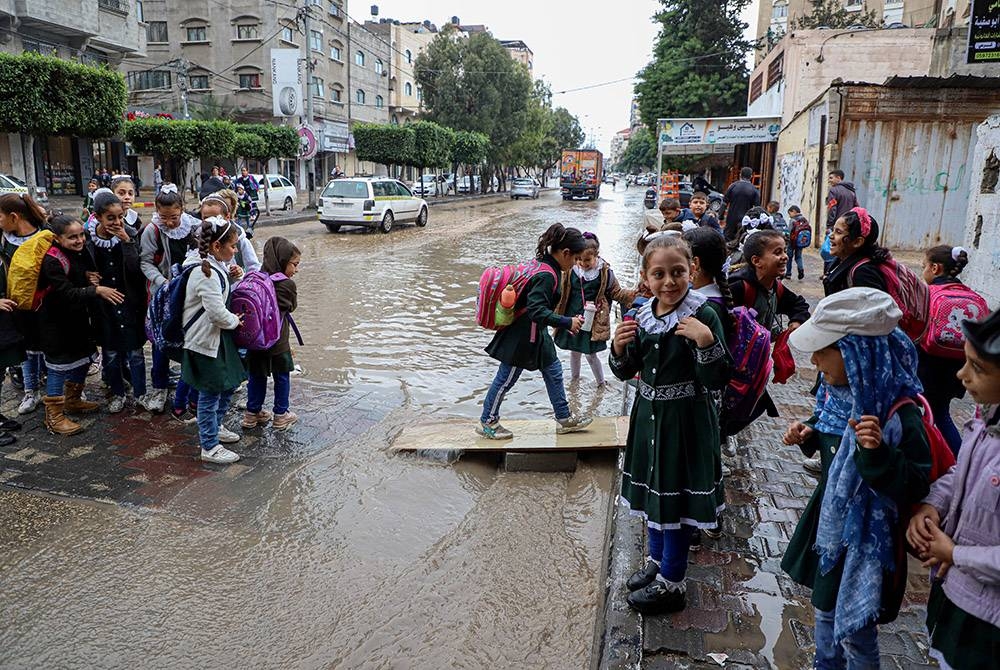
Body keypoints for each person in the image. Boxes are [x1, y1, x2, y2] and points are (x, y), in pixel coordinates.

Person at [781, 287, 931, 669]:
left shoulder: (899, 416)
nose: (814, 360)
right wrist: (810, 432)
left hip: (866, 541)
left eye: (823, 350)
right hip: (831, 529)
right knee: (825, 613)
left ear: (855, 354)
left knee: (857, 633)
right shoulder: (838, 396)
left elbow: (916, 482)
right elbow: (830, 434)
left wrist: (878, 454)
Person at [610, 233, 731, 614]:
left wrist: (707, 342)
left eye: (678, 272)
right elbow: (627, 370)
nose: (669, 282)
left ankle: (673, 583)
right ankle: (658, 562)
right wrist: (617, 348)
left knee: (675, 502)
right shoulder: (642, 314)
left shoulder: (704, 314)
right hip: (648, 421)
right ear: (645, 278)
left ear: (691, 269)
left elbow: (718, 378)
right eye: (659, 274)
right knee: (654, 494)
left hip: (687, 424)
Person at [908, 307, 1000, 670]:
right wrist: (933, 505)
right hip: (956, 595)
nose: (961, 375)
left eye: (978, 368)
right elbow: (964, 470)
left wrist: (955, 554)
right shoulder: (987, 416)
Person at [479, 223, 594, 440]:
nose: (576, 264)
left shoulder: (542, 266)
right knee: (505, 379)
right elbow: (536, 311)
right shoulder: (548, 276)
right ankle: (488, 421)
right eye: (575, 259)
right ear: (566, 253)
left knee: (554, 372)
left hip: (536, 334)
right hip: (522, 338)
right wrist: (566, 322)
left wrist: (564, 321)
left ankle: (564, 418)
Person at [38, 215, 124, 434]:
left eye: (81, 235)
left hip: (78, 319)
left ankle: (73, 399)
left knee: (83, 359)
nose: (79, 241)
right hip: (56, 323)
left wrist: (88, 276)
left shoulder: (78, 252)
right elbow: (65, 293)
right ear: (57, 238)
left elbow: (79, 276)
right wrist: (96, 290)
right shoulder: (51, 260)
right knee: (58, 366)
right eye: (72, 237)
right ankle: (54, 417)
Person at [728, 229, 810, 433]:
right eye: (777, 252)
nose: (785, 257)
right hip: (734, 366)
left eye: (785, 251)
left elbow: (798, 304)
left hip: (756, 365)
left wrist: (797, 321)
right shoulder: (738, 288)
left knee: (751, 406)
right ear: (757, 261)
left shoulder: (776, 287)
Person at [181, 217, 246, 464]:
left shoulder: (214, 266)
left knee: (228, 385)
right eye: (233, 245)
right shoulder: (203, 272)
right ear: (217, 246)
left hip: (217, 340)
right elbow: (216, 312)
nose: (236, 250)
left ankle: (216, 427)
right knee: (209, 395)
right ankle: (209, 446)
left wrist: (233, 278)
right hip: (204, 343)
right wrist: (234, 321)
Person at [86, 192, 155, 414]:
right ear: (97, 217)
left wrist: (127, 242)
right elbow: (82, 267)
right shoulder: (88, 240)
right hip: (104, 307)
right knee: (111, 353)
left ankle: (141, 393)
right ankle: (117, 393)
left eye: (120, 217)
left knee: (135, 352)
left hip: (129, 303)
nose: (116, 223)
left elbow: (137, 270)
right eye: (110, 218)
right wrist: (89, 278)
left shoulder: (131, 235)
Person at [140, 184, 200, 419]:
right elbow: (145, 262)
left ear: (182, 210)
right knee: (160, 340)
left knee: (187, 338)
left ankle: (188, 387)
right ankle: (159, 387)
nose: (170, 223)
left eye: (174, 217)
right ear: (157, 212)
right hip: (164, 293)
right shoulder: (152, 231)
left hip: (189, 293)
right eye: (164, 217)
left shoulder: (194, 226)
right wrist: (161, 281)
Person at [917, 245, 981, 455]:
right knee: (939, 412)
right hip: (957, 367)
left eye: (924, 266)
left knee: (933, 415)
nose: (923, 270)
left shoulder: (927, 294)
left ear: (935, 268)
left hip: (928, 365)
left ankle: (954, 461)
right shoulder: (972, 296)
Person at [553, 232, 634, 386]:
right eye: (579, 260)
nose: (583, 263)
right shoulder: (571, 269)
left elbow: (616, 292)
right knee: (574, 351)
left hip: (593, 317)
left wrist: (632, 295)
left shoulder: (605, 272)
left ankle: (601, 383)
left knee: (590, 354)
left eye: (587, 260)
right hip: (572, 314)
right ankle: (574, 381)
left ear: (596, 255)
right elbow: (560, 289)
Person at [243, 237, 301, 431]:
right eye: (294, 264)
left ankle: (252, 414)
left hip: (255, 340)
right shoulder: (286, 285)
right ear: (283, 261)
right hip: (278, 341)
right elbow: (291, 307)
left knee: (256, 376)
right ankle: (281, 415)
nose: (296, 270)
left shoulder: (255, 278)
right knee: (282, 376)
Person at [0, 193, 48, 415]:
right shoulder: (3, 241)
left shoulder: (46, 236)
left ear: (14, 217)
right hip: (17, 306)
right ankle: (31, 391)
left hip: (47, 303)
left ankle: (64, 390)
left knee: (51, 346)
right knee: (26, 350)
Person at [822, 208, 887, 296]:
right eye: (833, 230)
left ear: (857, 242)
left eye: (838, 232)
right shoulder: (839, 261)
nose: (831, 236)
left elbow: (873, 307)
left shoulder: (863, 274)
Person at [199, 190, 260, 274]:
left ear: (227, 216)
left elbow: (254, 268)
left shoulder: (239, 239)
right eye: (206, 218)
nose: (211, 221)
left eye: (216, 217)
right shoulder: (198, 239)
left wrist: (240, 274)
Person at [723, 167, 760, 241]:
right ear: (751, 176)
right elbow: (757, 208)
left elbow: (724, 203)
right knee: (742, 239)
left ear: (740, 175)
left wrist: (721, 216)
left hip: (731, 219)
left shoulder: (733, 186)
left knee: (728, 240)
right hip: (745, 219)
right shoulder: (754, 190)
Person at [826, 169, 859, 235]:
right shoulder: (851, 191)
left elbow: (832, 208)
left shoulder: (833, 190)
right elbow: (856, 208)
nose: (829, 181)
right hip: (849, 224)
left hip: (837, 224)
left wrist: (829, 225)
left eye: (831, 178)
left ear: (838, 178)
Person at [787, 205, 810, 280]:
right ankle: (801, 269)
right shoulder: (804, 220)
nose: (790, 216)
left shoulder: (792, 220)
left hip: (792, 242)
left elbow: (789, 232)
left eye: (790, 213)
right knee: (798, 257)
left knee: (789, 257)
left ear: (793, 211)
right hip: (800, 242)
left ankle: (788, 273)